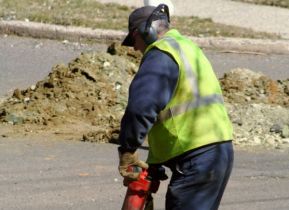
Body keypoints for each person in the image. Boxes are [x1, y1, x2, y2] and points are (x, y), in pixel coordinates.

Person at [117, 4, 234, 210]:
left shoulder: (160, 53)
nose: (135, 48)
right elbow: (180, 110)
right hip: (218, 151)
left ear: (146, 31)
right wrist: (154, 163)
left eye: (134, 40)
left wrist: (128, 149)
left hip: (196, 158)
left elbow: (141, 108)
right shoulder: (187, 47)